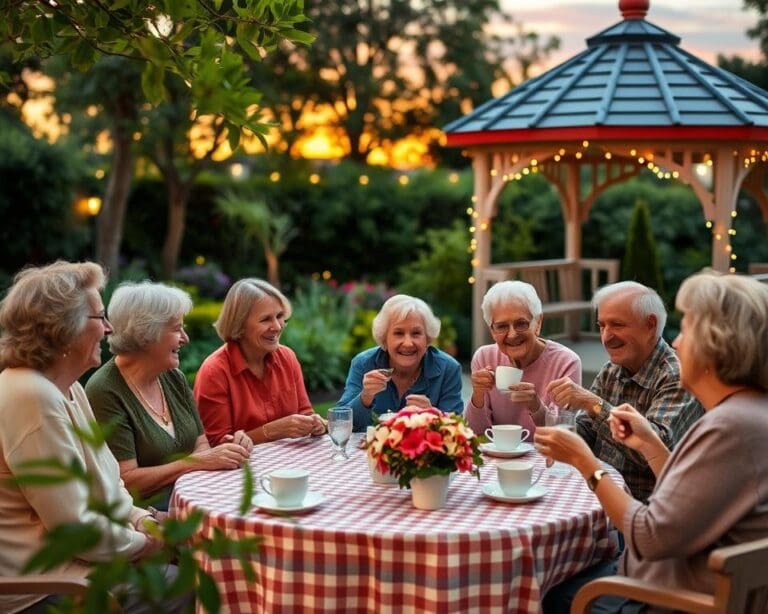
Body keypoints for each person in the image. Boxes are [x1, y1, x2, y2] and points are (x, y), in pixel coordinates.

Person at [536, 271, 768, 613]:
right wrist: (650, 445)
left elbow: (648, 537)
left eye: (686, 330)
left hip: (663, 597)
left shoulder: (728, 427)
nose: (675, 342)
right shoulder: (749, 413)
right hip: (674, 578)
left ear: (719, 343)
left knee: (548, 592)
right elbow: (685, 495)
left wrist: (588, 464)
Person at [0, 261, 189, 613]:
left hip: (81, 563)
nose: (109, 328)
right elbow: (74, 527)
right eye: (100, 317)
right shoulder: (29, 395)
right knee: (186, 583)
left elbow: (107, 486)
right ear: (62, 329)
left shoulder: (68, 388)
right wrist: (141, 544)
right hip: (46, 586)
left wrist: (139, 519)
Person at [86, 282, 252, 512]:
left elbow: (200, 444)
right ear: (145, 334)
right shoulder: (105, 390)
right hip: (145, 519)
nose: (185, 338)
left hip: (193, 500)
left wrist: (220, 452)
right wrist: (199, 461)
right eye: (176, 329)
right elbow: (126, 481)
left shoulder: (173, 377)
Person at [546, 281, 704, 501]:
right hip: (599, 494)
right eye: (601, 325)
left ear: (650, 325)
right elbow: (586, 431)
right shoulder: (612, 370)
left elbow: (653, 451)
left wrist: (594, 404)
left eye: (617, 325)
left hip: (642, 509)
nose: (606, 337)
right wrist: (556, 427)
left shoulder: (676, 377)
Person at [194, 278, 325, 445]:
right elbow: (217, 444)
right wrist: (272, 431)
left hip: (290, 466)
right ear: (239, 325)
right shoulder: (215, 371)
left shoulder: (287, 357)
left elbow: (305, 412)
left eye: (280, 316)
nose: (277, 326)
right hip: (241, 469)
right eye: (265, 319)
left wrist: (314, 424)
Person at [465, 280, 581, 439]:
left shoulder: (566, 362)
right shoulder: (484, 358)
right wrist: (477, 396)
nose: (512, 334)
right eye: (501, 326)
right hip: (497, 458)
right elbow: (476, 434)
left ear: (538, 323)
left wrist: (536, 406)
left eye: (521, 324)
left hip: (546, 459)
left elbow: (563, 435)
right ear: (492, 331)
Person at [338, 294, 463, 432]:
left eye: (416, 333)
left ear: (427, 339)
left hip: (425, 453)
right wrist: (365, 396)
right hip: (368, 452)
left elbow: (457, 429)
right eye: (398, 333)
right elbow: (338, 424)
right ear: (384, 338)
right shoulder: (363, 364)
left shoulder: (448, 369)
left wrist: (433, 415)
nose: (408, 343)